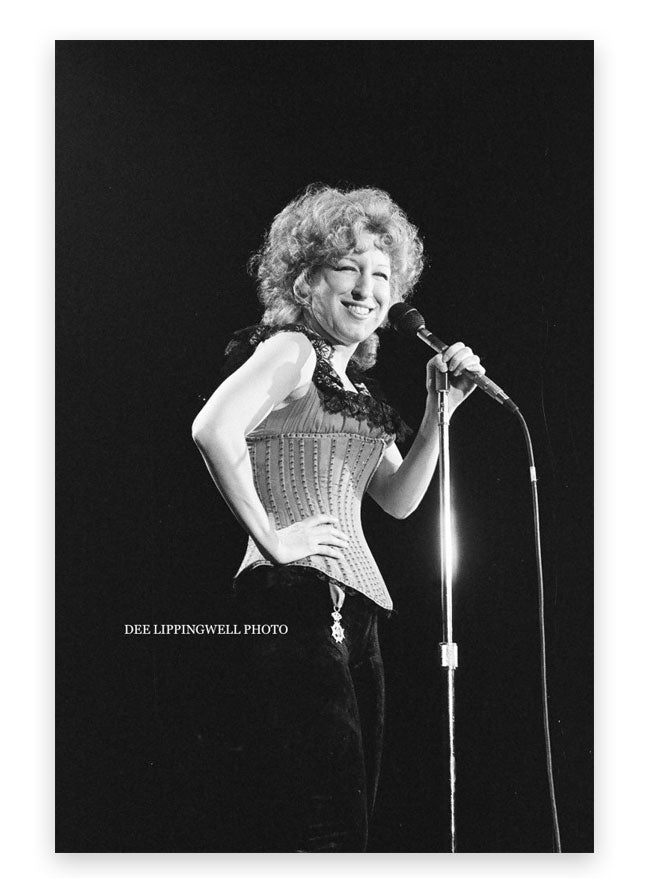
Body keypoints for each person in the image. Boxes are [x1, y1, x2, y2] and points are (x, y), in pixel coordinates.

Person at [191, 184, 485, 852]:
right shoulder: (291, 351)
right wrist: (273, 540)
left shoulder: (355, 391)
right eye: (347, 267)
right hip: (294, 596)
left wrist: (439, 411)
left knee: (348, 824)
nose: (366, 288)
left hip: (356, 609)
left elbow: (399, 499)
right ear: (305, 281)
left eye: (381, 274)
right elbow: (212, 428)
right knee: (326, 829)